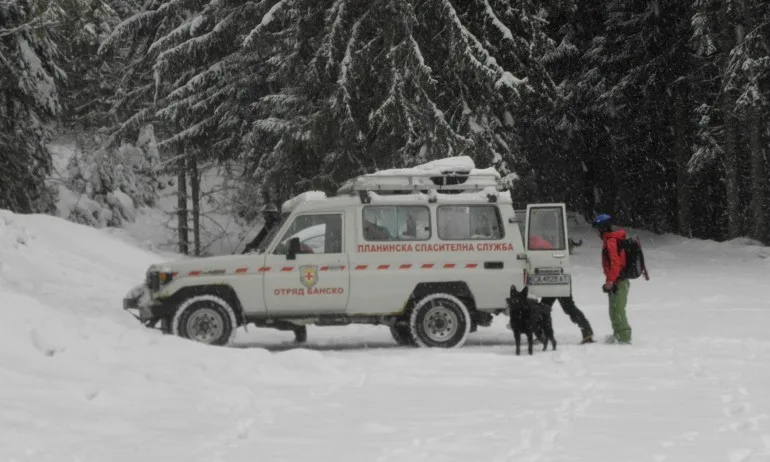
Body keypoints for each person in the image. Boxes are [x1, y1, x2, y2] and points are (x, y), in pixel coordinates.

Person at [527, 235, 595, 344]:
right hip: (556, 276)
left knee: (548, 307)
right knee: (560, 306)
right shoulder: (541, 242)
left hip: (554, 278)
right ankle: (587, 331)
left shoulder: (534, 243)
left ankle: (544, 334)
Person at [591, 213, 632, 344]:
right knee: (613, 310)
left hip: (619, 281)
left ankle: (624, 338)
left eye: (597, 229)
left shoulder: (611, 242)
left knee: (618, 310)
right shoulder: (610, 240)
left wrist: (610, 281)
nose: (596, 232)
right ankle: (617, 334)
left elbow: (616, 263)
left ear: (602, 228)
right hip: (616, 281)